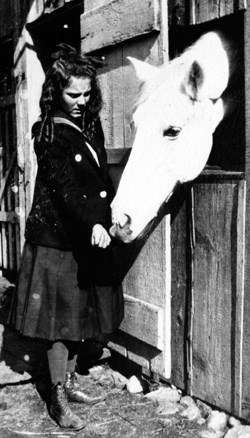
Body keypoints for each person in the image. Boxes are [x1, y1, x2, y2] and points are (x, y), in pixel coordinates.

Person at [8, 43, 124, 431]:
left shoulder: (91, 125)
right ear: (56, 91)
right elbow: (64, 186)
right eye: (73, 93)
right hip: (57, 237)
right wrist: (92, 222)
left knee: (78, 313)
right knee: (58, 321)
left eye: (87, 93)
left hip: (87, 233)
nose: (81, 100)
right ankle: (56, 396)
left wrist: (107, 218)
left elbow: (98, 183)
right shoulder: (46, 131)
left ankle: (71, 381)